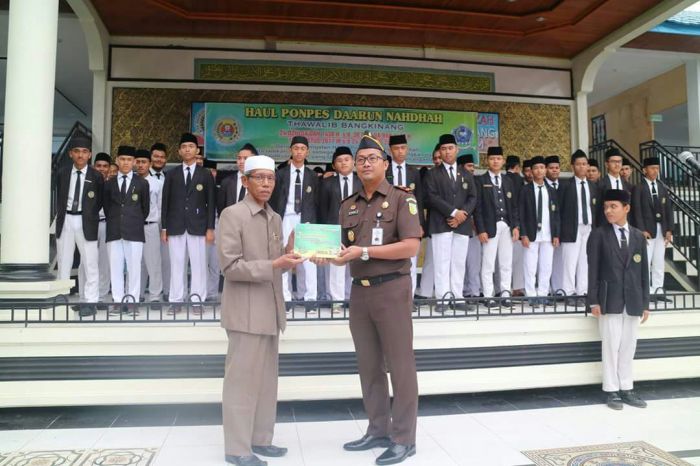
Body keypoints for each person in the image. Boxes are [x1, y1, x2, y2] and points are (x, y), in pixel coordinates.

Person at [315, 133, 420, 465]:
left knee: (400, 365)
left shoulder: (402, 199)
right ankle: (378, 429)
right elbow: (344, 251)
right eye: (360, 160)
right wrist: (324, 256)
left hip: (392, 288)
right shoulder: (348, 204)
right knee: (369, 365)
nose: (365, 164)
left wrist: (364, 251)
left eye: (372, 159)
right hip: (359, 292)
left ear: (385, 164)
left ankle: (404, 438)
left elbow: (411, 246)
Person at [217, 155, 304, 466]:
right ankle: (237, 448)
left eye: (271, 178)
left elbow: (276, 261)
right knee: (241, 382)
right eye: (259, 178)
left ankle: (260, 439)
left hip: (270, 309)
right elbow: (230, 266)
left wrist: (290, 251)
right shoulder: (233, 215)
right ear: (245, 181)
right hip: (245, 312)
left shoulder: (275, 217)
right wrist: (275, 263)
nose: (266, 184)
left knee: (267, 382)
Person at [587, 189, 650, 411]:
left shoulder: (638, 236)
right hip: (608, 299)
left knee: (628, 346)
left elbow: (643, 272)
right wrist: (593, 301)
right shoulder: (598, 235)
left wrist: (645, 303)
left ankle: (627, 388)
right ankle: (611, 390)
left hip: (633, 299)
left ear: (626, 208)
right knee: (610, 346)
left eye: (613, 206)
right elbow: (592, 270)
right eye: (606, 207)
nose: (608, 211)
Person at [161, 133, 216, 313]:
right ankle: (176, 300)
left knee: (199, 265)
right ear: (179, 151)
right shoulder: (171, 174)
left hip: (198, 226)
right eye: (184, 147)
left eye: (191, 147)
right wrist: (164, 228)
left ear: (197, 150)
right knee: (177, 264)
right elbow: (165, 202)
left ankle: (197, 301)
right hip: (175, 225)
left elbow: (211, 203)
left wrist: (210, 228)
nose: (187, 150)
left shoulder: (205, 174)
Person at [425, 134, 477, 311]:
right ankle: (443, 299)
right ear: (439, 151)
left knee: (458, 263)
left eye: (450, 148)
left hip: (462, 225)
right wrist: (454, 212)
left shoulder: (466, 173)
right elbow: (432, 197)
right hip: (441, 224)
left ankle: (457, 297)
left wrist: (462, 215)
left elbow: (473, 197)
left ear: (457, 149)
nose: (447, 152)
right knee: (442, 263)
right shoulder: (432, 174)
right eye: (444, 149)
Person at [269, 136, 320, 309]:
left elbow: (317, 202)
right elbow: (273, 199)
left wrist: (315, 224)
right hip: (285, 218)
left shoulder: (313, 176)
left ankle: (310, 299)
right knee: (285, 256)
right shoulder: (280, 174)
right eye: (296, 148)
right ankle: (286, 298)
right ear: (290, 150)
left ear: (307, 152)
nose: (299, 152)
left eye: (302, 149)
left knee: (309, 259)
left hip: (306, 220)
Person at [55, 136, 103, 316]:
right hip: (66, 219)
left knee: (90, 262)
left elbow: (99, 201)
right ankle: (61, 298)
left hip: (86, 221)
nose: (80, 155)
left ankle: (90, 301)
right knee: (63, 260)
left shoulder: (96, 176)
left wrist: (89, 215)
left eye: (84, 152)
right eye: (77, 151)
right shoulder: (62, 172)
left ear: (90, 155)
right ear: (70, 154)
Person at [104, 145, 150, 313]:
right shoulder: (109, 184)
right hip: (114, 230)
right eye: (122, 159)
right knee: (115, 267)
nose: (125, 162)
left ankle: (132, 301)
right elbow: (107, 207)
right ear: (117, 160)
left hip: (135, 231)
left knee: (134, 268)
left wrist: (132, 220)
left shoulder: (142, 183)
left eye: (129, 160)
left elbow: (145, 209)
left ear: (134, 162)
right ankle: (117, 300)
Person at [475, 146, 520, 307]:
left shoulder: (508, 181)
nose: (495, 161)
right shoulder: (480, 180)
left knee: (506, 263)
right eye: (492, 158)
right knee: (488, 263)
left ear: (503, 161)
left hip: (507, 226)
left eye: (498, 159)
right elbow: (478, 208)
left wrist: (516, 226)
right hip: (489, 227)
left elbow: (514, 206)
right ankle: (488, 295)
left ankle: (505, 294)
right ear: (487, 160)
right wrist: (481, 229)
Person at [318, 146, 360, 311]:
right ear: (334, 165)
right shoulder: (327, 183)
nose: (343, 163)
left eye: (347, 159)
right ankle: (337, 300)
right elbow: (322, 208)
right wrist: (324, 231)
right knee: (336, 265)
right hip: (334, 229)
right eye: (339, 161)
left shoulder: (361, 182)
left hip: (357, 228)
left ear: (353, 162)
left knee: (355, 263)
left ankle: (353, 298)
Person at [518, 156, 560, 308]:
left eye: (542, 168)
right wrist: (523, 234)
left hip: (548, 234)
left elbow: (556, 214)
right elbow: (521, 213)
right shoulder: (525, 190)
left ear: (546, 170)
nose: (539, 171)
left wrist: (556, 234)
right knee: (530, 266)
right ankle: (531, 296)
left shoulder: (552, 190)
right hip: (531, 234)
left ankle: (543, 294)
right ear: (531, 171)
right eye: (536, 168)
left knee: (546, 266)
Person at [387, 134, 425, 294]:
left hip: (410, 220)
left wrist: (420, 224)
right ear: (390, 150)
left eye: (403, 148)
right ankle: (391, 295)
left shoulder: (414, 171)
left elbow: (419, 199)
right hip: (388, 219)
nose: (400, 151)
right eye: (396, 148)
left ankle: (409, 297)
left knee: (411, 259)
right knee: (390, 258)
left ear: (407, 149)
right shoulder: (385, 169)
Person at [632, 157, 673, 302]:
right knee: (646, 261)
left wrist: (669, 230)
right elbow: (636, 210)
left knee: (659, 261)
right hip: (647, 231)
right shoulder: (639, 188)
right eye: (652, 168)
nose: (655, 171)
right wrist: (641, 230)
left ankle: (658, 290)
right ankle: (646, 291)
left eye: (657, 168)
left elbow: (668, 210)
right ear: (644, 170)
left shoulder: (662, 187)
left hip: (661, 229)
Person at [559, 150, 598, 305]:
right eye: (578, 164)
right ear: (572, 166)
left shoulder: (593, 186)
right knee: (569, 262)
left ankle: (582, 292)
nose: (582, 167)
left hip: (588, 227)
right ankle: (568, 293)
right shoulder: (565, 186)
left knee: (585, 261)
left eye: (584, 164)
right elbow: (559, 210)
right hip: (571, 228)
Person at [78, 152, 111, 307]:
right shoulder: (86, 181)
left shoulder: (112, 184)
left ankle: (101, 297)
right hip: (88, 224)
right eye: (99, 166)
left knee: (105, 262)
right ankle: (84, 297)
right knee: (85, 262)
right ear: (93, 166)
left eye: (105, 166)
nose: (102, 169)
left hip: (106, 224)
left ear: (109, 168)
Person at [135, 148, 163, 305]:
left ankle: (155, 296)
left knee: (153, 262)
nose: (140, 165)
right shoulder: (130, 181)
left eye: (144, 162)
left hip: (150, 226)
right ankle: (136, 294)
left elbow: (160, 207)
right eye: (138, 162)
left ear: (150, 164)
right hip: (133, 227)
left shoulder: (157, 184)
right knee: (135, 262)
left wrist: (159, 227)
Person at [416, 143, 443, 298]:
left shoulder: (457, 175)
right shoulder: (429, 175)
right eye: (435, 158)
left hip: (456, 224)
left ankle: (449, 294)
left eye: (440, 157)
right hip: (435, 222)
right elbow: (424, 199)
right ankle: (425, 292)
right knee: (431, 259)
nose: (437, 160)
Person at [459, 152, 482, 299]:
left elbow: (479, 204)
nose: (472, 169)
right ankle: (461, 291)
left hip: (475, 228)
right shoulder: (455, 181)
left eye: (473, 166)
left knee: (474, 262)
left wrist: (477, 222)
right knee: (459, 261)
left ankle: (474, 291)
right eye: (469, 166)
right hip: (459, 225)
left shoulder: (477, 182)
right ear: (461, 167)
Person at [150, 142, 170, 298]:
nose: (159, 159)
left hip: (166, 224)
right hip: (148, 223)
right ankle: (142, 293)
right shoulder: (141, 176)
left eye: (162, 157)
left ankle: (168, 291)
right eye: (156, 156)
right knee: (145, 260)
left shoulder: (170, 177)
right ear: (151, 157)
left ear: (166, 160)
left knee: (166, 259)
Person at [505, 155, 525, 296]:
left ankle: (502, 288)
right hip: (517, 223)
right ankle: (517, 288)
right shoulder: (519, 180)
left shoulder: (502, 178)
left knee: (502, 260)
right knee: (518, 258)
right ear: (517, 167)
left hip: (502, 222)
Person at [218, 143, 258, 213]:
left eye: (245, 158)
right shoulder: (226, 182)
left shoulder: (259, 182)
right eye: (239, 158)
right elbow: (221, 209)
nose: (241, 161)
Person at [596, 148, 633, 225]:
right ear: (606, 164)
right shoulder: (600, 185)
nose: (617, 164)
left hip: (625, 225)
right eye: (613, 161)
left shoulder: (628, 186)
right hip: (606, 226)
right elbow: (597, 209)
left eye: (619, 161)